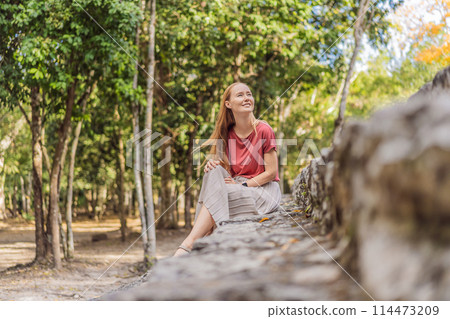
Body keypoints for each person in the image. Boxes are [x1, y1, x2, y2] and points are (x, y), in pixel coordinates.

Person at [173, 82, 281, 257]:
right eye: (240, 95)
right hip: (236, 186)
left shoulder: (264, 129)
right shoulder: (227, 133)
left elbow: (271, 173)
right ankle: (202, 239)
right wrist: (213, 164)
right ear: (228, 104)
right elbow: (226, 175)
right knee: (212, 171)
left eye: (249, 94)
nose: (247, 98)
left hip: (263, 190)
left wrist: (243, 185)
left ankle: (190, 243)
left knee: (221, 194)